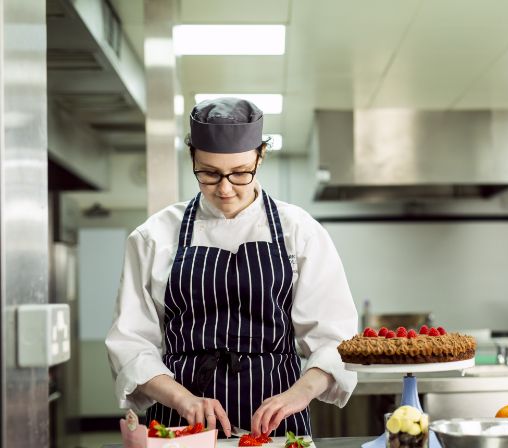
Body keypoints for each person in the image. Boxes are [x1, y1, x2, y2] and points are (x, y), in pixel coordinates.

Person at [106, 97, 358, 438]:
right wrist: (183, 399)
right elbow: (132, 344)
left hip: (278, 425)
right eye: (209, 173)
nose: (224, 188)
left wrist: (298, 395)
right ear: (192, 155)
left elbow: (334, 340)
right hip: (181, 422)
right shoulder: (154, 236)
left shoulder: (299, 231)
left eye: (240, 173)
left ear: (261, 155)